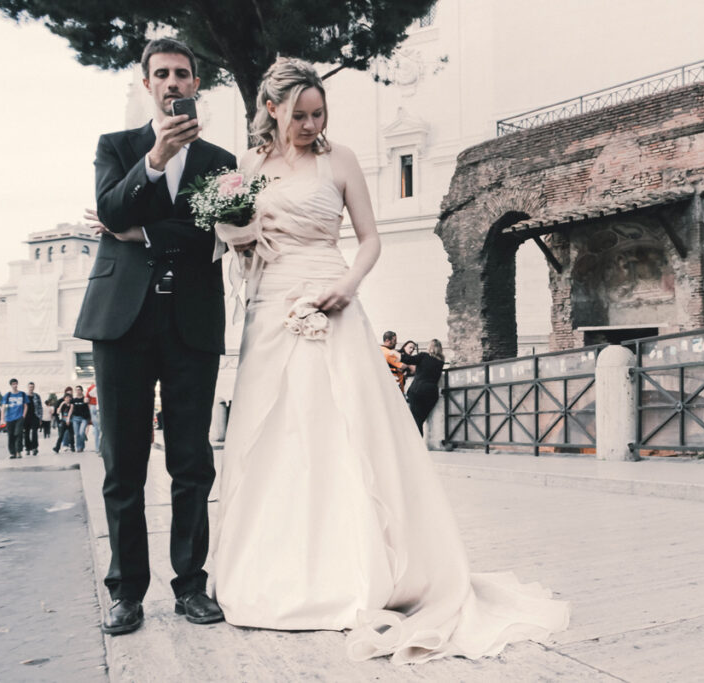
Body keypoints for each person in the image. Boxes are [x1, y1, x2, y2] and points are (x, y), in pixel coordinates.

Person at [213, 58, 568, 664]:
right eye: (298, 114)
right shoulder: (246, 168)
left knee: (343, 432)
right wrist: (236, 229)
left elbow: (370, 237)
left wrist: (348, 286)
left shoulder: (341, 160)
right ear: (271, 110)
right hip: (272, 308)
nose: (309, 123)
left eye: (318, 113)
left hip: (333, 298)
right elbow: (234, 237)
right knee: (275, 436)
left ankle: (361, 572)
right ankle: (272, 574)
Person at [73, 38, 235, 636]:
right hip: (121, 323)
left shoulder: (220, 161)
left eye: (183, 74)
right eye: (162, 74)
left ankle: (191, 585)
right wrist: (154, 164)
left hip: (191, 321)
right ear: (148, 84)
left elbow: (215, 235)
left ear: (197, 85)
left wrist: (142, 233)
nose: (173, 83)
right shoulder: (116, 148)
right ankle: (127, 591)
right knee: (124, 462)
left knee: (192, 461)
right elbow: (110, 211)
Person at [400, 340, 446, 435]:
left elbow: (409, 360)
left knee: (416, 420)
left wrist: (395, 354)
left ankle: (417, 445)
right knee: (419, 420)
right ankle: (418, 444)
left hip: (418, 391)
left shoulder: (423, 356)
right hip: (432, 394)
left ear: (429, 347)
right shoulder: (440, 362)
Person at [2, 379, 28, 459]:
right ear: (11, 385)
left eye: (16, 383)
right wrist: (2, 418)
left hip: (19, 417)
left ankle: (18, 451)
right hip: (9, 418)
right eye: (13, 384)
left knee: (18, 434)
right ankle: (12, 453)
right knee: (10, 435)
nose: (15, 385)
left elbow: (26, 406)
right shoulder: (8, 395)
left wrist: (23, 415)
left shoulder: (22, 394)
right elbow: (3, 407)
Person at [68, 385, 92, 453]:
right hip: (75, 418)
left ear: (81, 390)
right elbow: (71, 409)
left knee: (81, 432)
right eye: (76, 390)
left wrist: (91, 418)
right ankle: (79, 447)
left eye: (79, 389)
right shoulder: (73, 400)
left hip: (84, 418)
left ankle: (82, 445)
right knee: (77, 434)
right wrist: (68, 418)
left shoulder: (85, 399)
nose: (77, 391)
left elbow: (89, 408)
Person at [23, 382, 42, 455]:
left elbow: (40, 407)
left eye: (32, 387)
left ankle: (35, 448)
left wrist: (40, 418)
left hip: (35, 416)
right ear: (28, 387)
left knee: (34, 432)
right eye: (30, 387)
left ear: (34, 387)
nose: (31, 388)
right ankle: (27, 448)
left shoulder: (37, 396)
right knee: (26, 433)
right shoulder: (24, 396)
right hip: (26, 417)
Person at [53, 388, 74, 453]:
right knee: (61, 435)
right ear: (64, 398)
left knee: (71, 435)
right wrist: (62, 404)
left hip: (69, 421)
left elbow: (70, 412)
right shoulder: (62, 404)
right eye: (66, 398)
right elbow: (58, 412)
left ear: (70, 398)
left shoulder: (71, 405)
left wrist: (68, 420)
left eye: (69, 398)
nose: (67, 399)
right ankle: (57, 448)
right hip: (63, 421)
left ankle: (73, 447)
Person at [87, 382, 100, 452]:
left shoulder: (91, 388)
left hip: (95, 408)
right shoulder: (93, 388)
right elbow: (87, 397)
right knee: (98, 429)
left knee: (97, 430)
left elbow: (87, 398)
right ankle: (98, 448)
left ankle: (98, 448)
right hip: (96, 408)